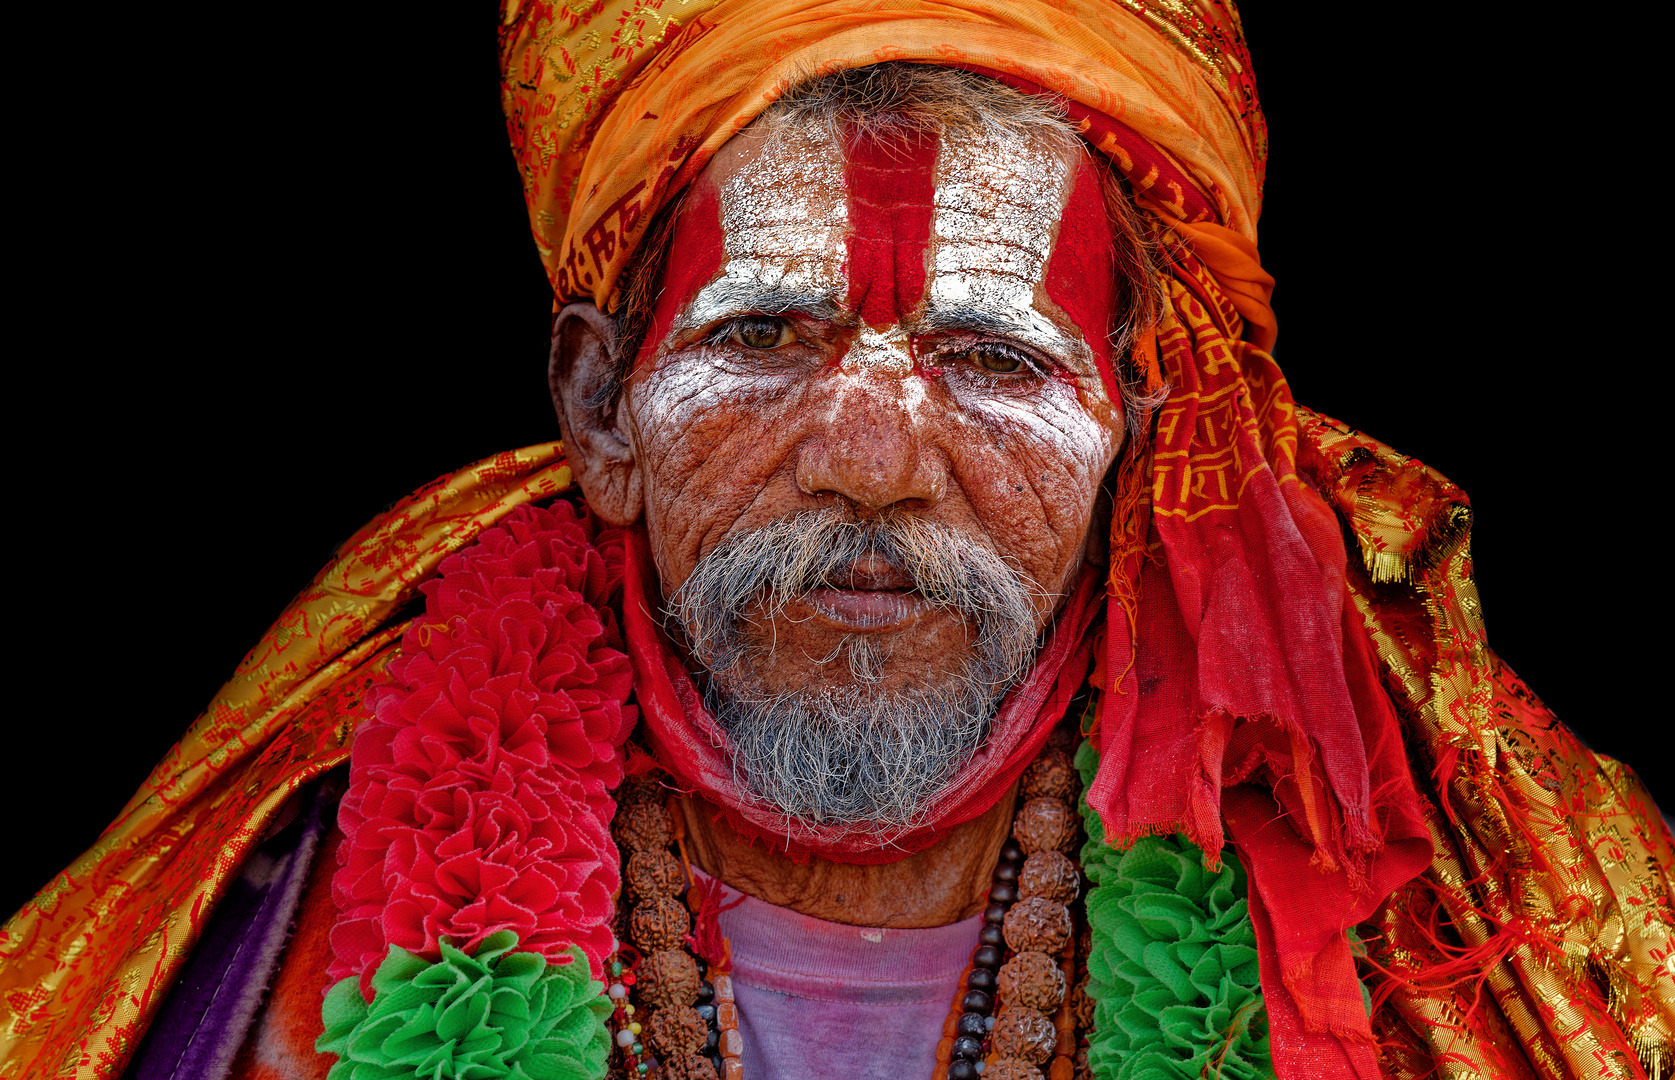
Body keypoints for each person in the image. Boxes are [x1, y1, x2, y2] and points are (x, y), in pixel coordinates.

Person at [3, 3, 1669, 1079]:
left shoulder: (1422, 936)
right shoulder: (278, 937)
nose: (873, 463)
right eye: (767, 341)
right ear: (600, 412)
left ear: (1145, 430)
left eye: (995, 361)